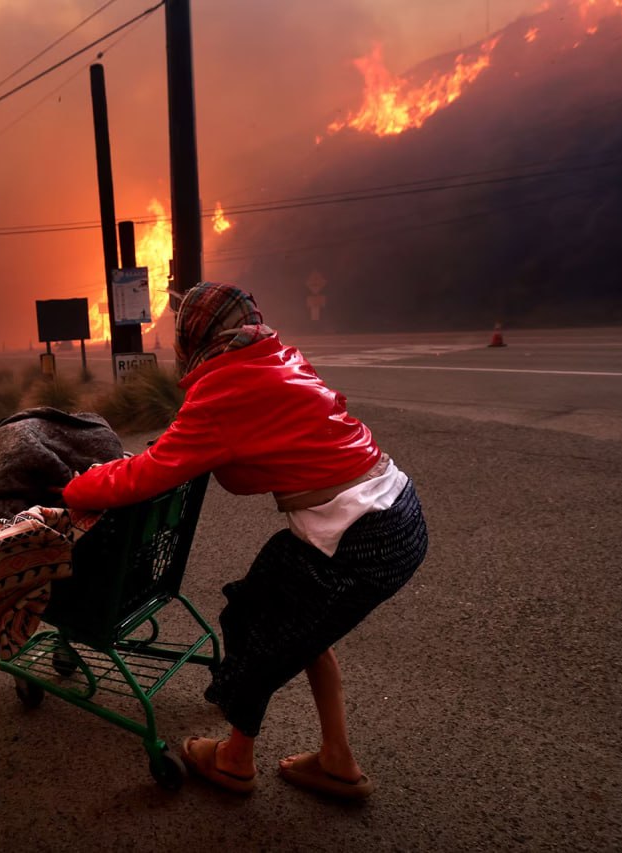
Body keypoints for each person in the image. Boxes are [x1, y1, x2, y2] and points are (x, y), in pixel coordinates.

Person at [62, 282, 428, 800]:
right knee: (303, 625)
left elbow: (143, 476)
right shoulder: (276, 357)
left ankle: (235, 760)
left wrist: (73, 485)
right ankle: (337, 761)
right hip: (399, 509)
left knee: (256, 620)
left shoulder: (220, 391)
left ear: (196, 334)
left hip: (358, 534)